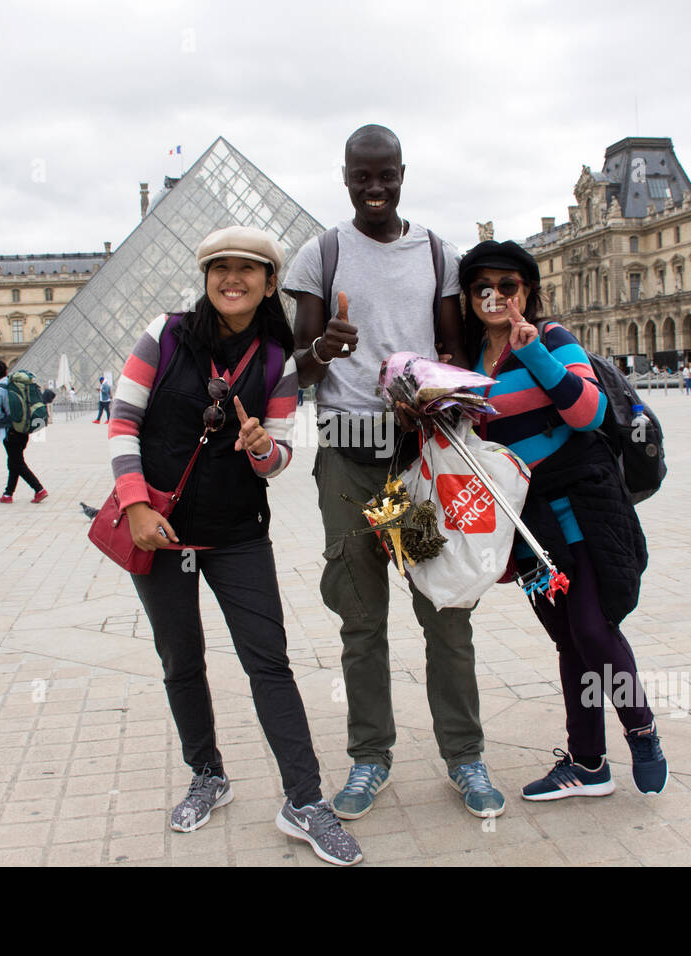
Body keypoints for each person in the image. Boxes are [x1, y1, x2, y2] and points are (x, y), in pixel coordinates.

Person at [108, 226, 361, 866]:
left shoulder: (276, 361)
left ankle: (305, 801)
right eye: (220, 267)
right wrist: (135, 505)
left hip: (237, 535)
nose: (232, 278)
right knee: (181, 660)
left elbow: (278, 456)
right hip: (161, 531)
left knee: (268, 662)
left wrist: (260, 450)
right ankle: (208, 774)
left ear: (270, 282)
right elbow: (123, 419)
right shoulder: (163, 335)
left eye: (248, 269)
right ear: (206, 276)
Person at [283, 124, 501, 821]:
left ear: (403, 172)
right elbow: (299, 367)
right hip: (351, 459)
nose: (374, 190)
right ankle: (369, 757)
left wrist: (431, 394)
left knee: (443, 606)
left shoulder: (437, 253)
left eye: (385, 176)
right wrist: (325, 345)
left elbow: (451, 348)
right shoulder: (321, 254)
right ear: (344, 175)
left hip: (415, 462)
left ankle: (464, 755)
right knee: (361, 618)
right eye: (360, 178)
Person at [459, 241, 666, 802]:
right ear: (469, 297)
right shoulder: (468, 362)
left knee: (595, 629)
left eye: (508, 286)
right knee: (569, 642)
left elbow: (590, 412)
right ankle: (588, 763)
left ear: (527, 291)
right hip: (526, 525)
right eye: (484, 287)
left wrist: (538, 357)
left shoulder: (551, 338)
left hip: (582, 508)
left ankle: (642, 731)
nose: (496, 296)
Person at [0, 360, 48, 503]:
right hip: (23, 427)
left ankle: (39, 489)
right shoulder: (16, 384)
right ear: (7, 371)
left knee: (17, 463)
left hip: (10, 431)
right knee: (14, 461)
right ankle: (8, 494)